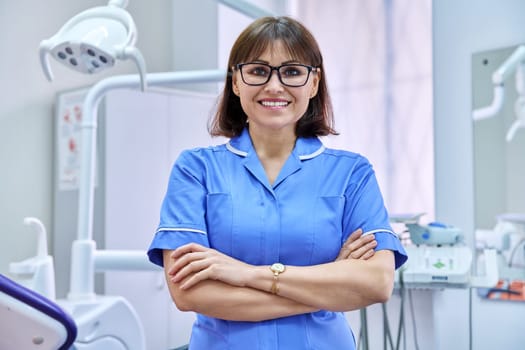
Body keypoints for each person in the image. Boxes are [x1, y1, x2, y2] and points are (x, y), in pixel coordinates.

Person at [147, 15, 407, 350]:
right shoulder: (196, 169)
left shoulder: (352, 174)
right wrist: (331, 286)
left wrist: (247, 273)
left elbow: (377, 282)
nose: (274, 86)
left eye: (292, 72)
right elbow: (188, 291)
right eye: (258, 70)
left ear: (313, 84)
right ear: (236, 82)